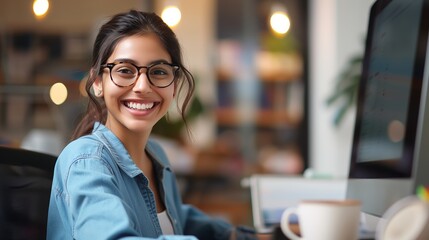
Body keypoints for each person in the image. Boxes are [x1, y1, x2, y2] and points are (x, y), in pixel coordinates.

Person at [47, 10, 262, 240]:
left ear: (174, 85)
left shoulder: (156, 155)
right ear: (98, 82)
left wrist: (239, 236)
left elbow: (175, 219)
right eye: (125, 71)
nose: (142, 86)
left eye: (158, 72)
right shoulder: (86, 161)